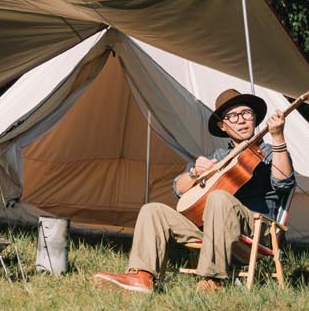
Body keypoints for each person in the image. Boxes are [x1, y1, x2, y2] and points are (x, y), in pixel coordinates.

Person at [92, 89, 295, 294]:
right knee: (152, 210)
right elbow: (178, 190)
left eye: (246, 113)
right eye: (232, 116)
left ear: (255, 118)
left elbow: (284, 183)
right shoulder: (218, 156)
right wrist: (194, 173)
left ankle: (212, 280)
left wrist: (278, 138)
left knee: (218, 197)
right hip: (212, 232)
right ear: (222, 126)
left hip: (255, 230)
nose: (241, 120)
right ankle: (142, 276)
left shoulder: (270, 152)